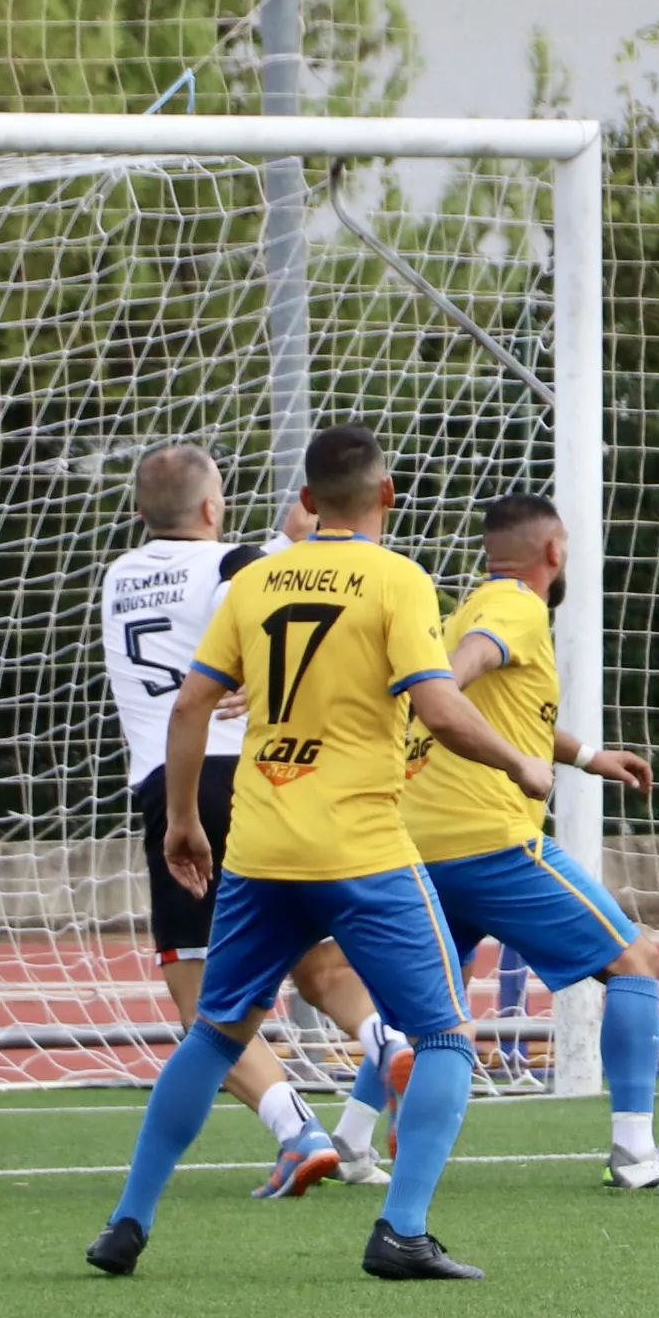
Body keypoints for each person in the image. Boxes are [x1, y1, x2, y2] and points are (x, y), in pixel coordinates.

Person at [84, 425, 552, 1282]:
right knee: (446, 1034)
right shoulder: (398, 579)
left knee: (215, 1033)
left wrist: (182, 820)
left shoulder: (256, 579)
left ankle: (126, 1222)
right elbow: (441, 709)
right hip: (357, 844)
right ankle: (402, 1230)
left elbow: (191, 708)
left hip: (260, 844)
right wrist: (524, 761)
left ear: (305, 499)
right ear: (388, 494)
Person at [398, 493, 659, 1191]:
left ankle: (356, 1138)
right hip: (491, 842)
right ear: (555, 551)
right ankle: (636, 1152)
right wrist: (442, 694)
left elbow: (506, 715)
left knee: (430, 1008)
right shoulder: (514, 606)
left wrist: (587, 754)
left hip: (425, 844)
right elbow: (462, 675)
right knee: (636, 959)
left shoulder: (469, 604)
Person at [101, 443, 396, 1197]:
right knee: (317, 957)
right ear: (211, 507)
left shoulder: (119, 576)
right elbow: (293, 565)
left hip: (183, 783)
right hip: (268, 783)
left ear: (143, 511)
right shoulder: (241, 560)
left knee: (202, 994)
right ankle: (384, 1038)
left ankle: (296, 1129)